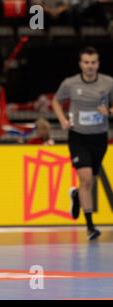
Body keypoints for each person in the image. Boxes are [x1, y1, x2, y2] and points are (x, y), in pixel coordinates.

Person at [52, 46, 113, 240]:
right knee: (86, 178)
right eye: (86, 62)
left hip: (99, 137)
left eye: (93, 62)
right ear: (80, 64)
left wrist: (110, 112)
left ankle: (77, 195)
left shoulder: (108, 82)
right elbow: (55, 101)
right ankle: (90, 227)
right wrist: (62, 119)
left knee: (90, 180)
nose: (89, 66)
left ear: (98, 64)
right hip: (78, 136)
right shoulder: (70, 83)